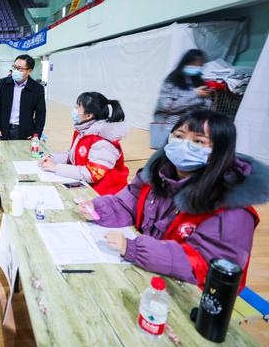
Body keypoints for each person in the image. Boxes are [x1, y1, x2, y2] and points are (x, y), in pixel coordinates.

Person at [79, 110, 267, 291]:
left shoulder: (232, 211)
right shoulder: (156, 175)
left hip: (186, 296)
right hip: (148, 273)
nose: (184, 145)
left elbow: (204, 266)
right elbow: (127, 204)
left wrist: (135, 249)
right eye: (179, 136)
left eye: (198, 141)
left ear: (219, 151)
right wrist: (98, 209)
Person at [39, 92, 129, 195]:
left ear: (88, 115)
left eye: (78, 107)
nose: (74, 110)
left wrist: (56, 168)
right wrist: (52, 158)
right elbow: (73, 155)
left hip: (104, 195)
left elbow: (91, 174)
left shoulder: (103, 142)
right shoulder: (83, 131)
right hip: (87, 186)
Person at [152, 49, 213, 146]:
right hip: (171, 121)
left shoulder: (199, 81)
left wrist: (206, 99)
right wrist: (194, 94)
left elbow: (206, 106)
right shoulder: (172, 80)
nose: (197, 68)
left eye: (200, 66)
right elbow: (167, 106)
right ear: (185, 63)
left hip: (193, 122)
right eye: (194, 65)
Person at [0, 54, 46, 140]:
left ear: (29, 71)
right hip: (4, 128)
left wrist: (36, 133)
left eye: (20, 69)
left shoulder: (37, 88)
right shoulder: (4, 83)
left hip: (25, 131)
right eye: (14, 67)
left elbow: (41, 113)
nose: (16, 71)